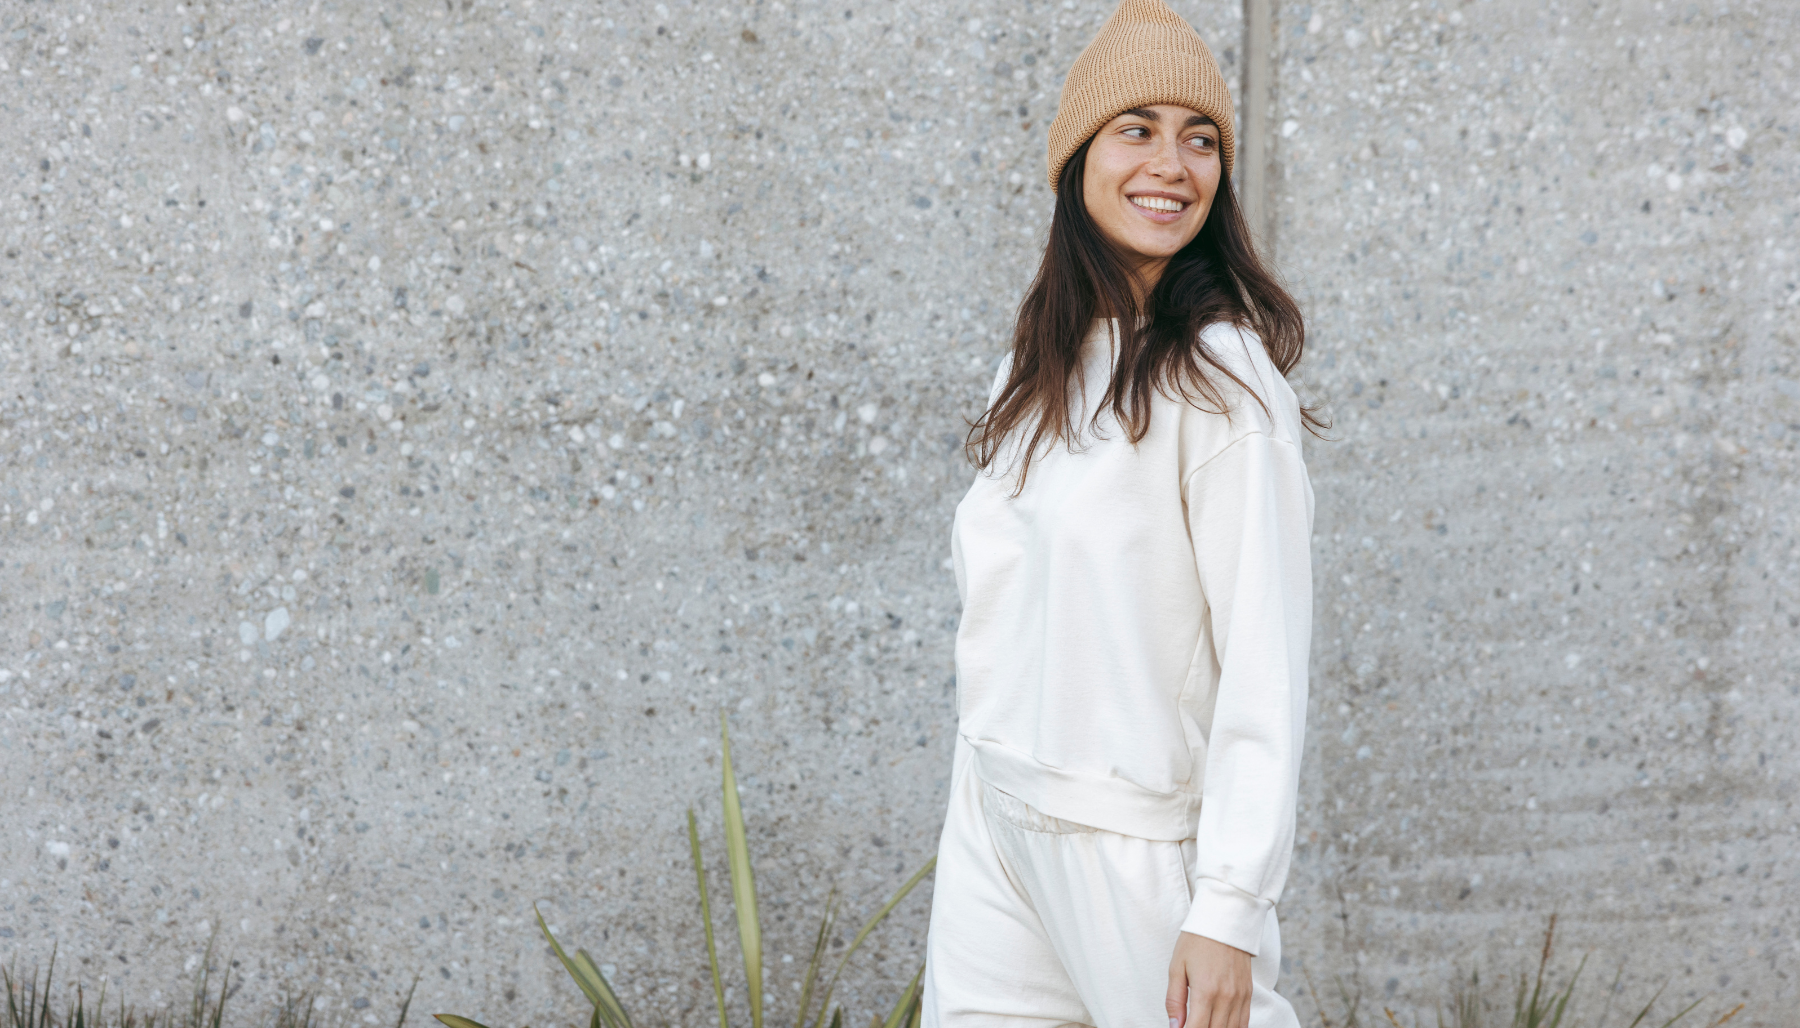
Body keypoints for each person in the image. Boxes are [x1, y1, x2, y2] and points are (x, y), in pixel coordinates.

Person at [920, 2, 1324, 1027]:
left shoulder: (1223, 381)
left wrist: (1228, 905)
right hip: (995, 816)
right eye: (1135, 128)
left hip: (1133, 845)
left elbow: (1263, 662)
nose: (1172, 164)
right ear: (1078, 157)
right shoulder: (1043, 360)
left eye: (1200, 139)